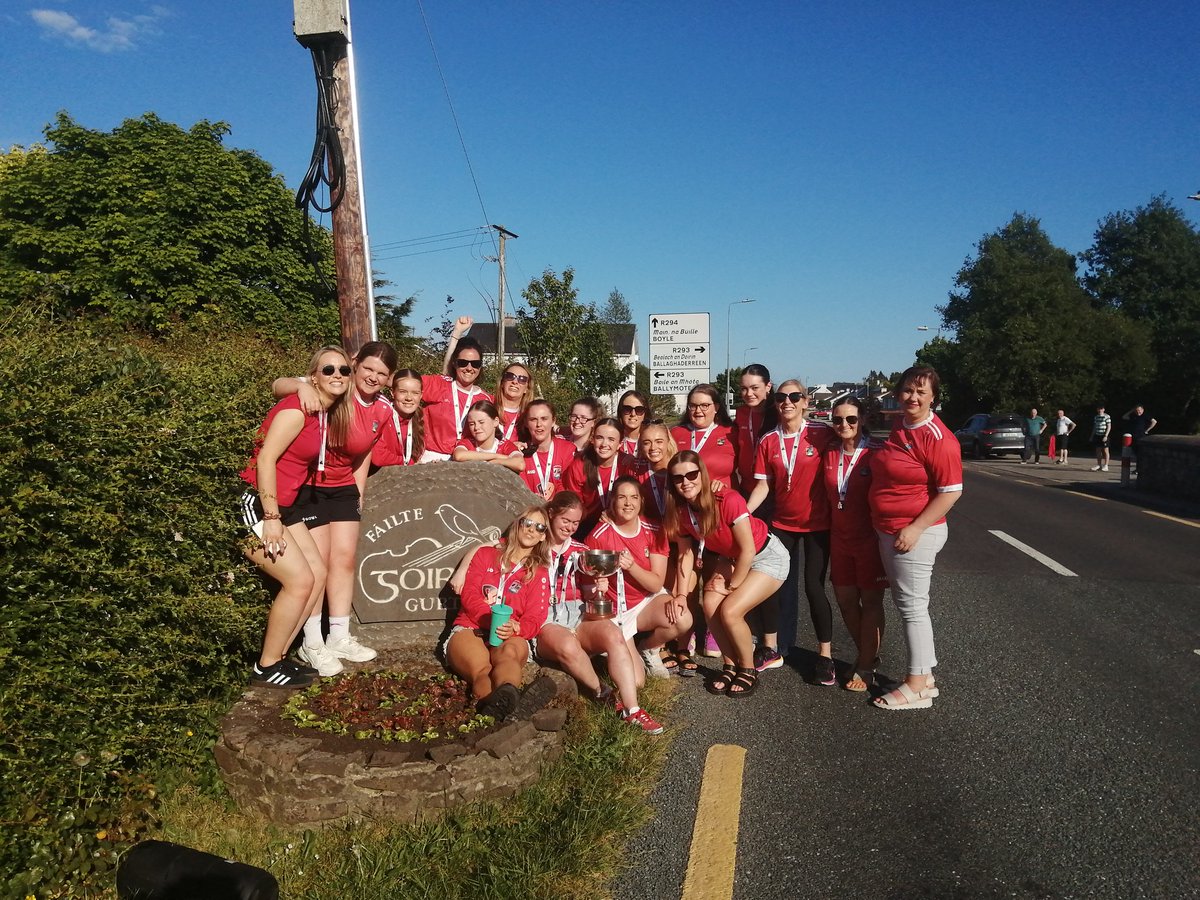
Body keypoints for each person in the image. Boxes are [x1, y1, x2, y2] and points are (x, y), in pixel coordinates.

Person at [272, 341, 397, 674]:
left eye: (381, 374)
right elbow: (278, 386)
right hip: (310, 486)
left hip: (342, 487)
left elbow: (364, 453)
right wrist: (300, 385)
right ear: (355, 364)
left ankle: (338, 636)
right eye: (368, 368)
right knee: (319, 564)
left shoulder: (384, 409)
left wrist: (359, 493)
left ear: (389, 379)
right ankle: (311, 643)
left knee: (343, 559)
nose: (373, 377)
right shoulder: (335, 387)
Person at [239, 346, 353, 688]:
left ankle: (281, 657)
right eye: (328, 369)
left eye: (344, 371)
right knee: (300, 581)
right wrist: (271, 516)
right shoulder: (299, 409)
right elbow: (265, 461)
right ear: (313, 376)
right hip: (259, 504)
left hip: (286, 506)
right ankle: (266, 665)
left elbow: (280, 382)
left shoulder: (321, 410)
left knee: (317, 574)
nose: (337, 375)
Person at [529, 492, 667, 733]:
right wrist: (464, 566)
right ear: (551, 514)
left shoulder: (581, 550)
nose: (570, 528)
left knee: (613, 633)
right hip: (545, 619)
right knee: (568, 645)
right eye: (565, 521)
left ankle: (633, 710)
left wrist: (596, 588)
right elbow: (496, 547)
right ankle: (602, 693)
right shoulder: (533, 544)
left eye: (575, 523)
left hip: (578, 615)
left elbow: (588, 592)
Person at [867, 365, 962, 710]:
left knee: (912, 608)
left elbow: (951, 492)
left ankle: (917, 685)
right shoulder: (901, 426)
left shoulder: (939, 438)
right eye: (908, 390)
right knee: (908, 604)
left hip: (913, 534)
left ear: (933, 397)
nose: (913, 397)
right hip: (889, 528)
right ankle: (925, 674)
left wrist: (916, 526)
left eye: (921, 392)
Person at [664, 451, 789, 698]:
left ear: (702, 474)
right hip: (731, 558)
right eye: (678, 478)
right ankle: (730, 664)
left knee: (730, 610)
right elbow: (685, 555)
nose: (686, 482)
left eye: (691, 474)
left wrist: (732, 587)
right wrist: (680, 594)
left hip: (766, 556)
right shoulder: (681, 510)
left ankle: (748, 667)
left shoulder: (727, 499)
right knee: (710, 604)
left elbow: (748, 549)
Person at [746, 380, 836, 679]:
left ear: (805, 401)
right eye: (782, 397)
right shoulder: (768, 440)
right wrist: (744, 514)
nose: (788, 402)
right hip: (783, 523)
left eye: (794, 396)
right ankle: (770, 647)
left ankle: (825, 656)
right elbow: (763, 485)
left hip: (817, 524)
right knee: (773, 583)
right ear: (776, 403)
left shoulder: (822, 433)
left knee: (814, 587)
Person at [445, 506, 552, 721]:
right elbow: (469, 595)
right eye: (527, 523)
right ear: (517, 525)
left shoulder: (538, 573)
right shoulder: (486, 555)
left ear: (542, 537)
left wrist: (517, 627)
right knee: (481, 669)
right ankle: (513, 709)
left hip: (510, 631)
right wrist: (490, 618)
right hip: (471, 626)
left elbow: (536, 616)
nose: (532, 530)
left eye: (539, 527)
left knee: (509, 657)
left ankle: (506, 698)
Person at [587, 476, 691, 682]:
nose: (628, 503)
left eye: (634, 497)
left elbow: (655, 583)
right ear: (612, 502)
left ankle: (648, 648)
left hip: (646, 602)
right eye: (622, 497)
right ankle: (616, 646)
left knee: (682, 618)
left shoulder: (654, 530)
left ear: (642, 501)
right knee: (636, 682)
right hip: (617, 612)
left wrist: (632, 566)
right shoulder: (597, 536)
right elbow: (590, 585)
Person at [823, 398, 887, 692]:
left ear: (862, 419)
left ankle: (865, 663)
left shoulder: (877, 452)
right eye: (838, 420)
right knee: (846, 602)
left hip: (869, 540)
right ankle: (867, 656)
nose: (844, 425)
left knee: (871, 602)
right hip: (839, 538)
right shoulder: (829, 453)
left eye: (851, 419)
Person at [421, 319, 493, 461]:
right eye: (463, 363)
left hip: (465, 461)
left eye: (475, 364)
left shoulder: (486, 399)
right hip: (430, 460)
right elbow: (402, 383)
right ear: (455, 364)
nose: (469, 368)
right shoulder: (439, 384)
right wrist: (456, 334)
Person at [561, 416, 641, 536]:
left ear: (620, 444)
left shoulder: (627, 464)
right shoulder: (579, 466)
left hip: (621, 519)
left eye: (611, 439)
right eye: (599, 438)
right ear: (592, 439)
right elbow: (575, 504)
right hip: (587, 524)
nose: (604, 444)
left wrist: (613, 513)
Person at [496, 399, 577, 500]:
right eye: (533, 419)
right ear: (526, 423)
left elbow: (570, 487)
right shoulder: (520, 454)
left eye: (544, 419)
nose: (539, 424)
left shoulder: (568, 449)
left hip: (560, 510)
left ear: (553, 421)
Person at [672, 384, 738, 491]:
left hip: (721, 500)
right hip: (686, 501)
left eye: (704, 405)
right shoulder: (676, 433)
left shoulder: (731, 432)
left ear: (716, 407)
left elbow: (747, 469)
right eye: (693, 406)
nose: (698, 410)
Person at [735, 364, 777, 499]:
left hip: (774, 492)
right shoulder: (741, 414)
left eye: (754, 388)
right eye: (744, 389)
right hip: (746, 489)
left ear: (768, 387)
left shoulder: (779, 415)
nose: (749, 394)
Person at [370, 368, 424, 469]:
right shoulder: (382, 415)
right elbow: (378, 457)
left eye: (415, 393)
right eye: (403, 392)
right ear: (392, 393)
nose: (409, 398)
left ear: (421, 395)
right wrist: (408, 462)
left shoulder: (421, 418)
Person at [451, 399, 522, 463]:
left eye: (481, 422)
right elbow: (459, 455)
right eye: (472, 424)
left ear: (495, 421)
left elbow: (520, 464)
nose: (476, 427)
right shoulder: (468, 443)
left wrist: (493, 462)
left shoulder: (504, 445)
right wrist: (498, 456)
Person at [496, 362, 535, 443]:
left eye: (522, 379)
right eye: (510, 376)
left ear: (526, 389)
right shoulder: (488, 409)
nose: (515, 381)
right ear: (502, 383)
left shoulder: (529, 417)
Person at [616, 390, 653, 456]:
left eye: (639, 410)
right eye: (627, 409)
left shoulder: (654, 442)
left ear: (645, 413)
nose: (633, 414)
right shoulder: (613, 440)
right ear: (620, 411)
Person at [1123, 404, 1157, 472]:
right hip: (1133, 437)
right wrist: (1132, 411)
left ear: (1142, 410)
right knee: (1136, 453)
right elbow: (1124, 417)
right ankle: (1138, 468)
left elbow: (1154, 421)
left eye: (1139, 410)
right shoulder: (1133, 416)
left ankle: (1140, 468)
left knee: (1141, 453)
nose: (1138, 412)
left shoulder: (1145, 415)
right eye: (1136, 410)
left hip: (1141, 437)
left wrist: (1147, 430)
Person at [1090, 405, 1112, 472]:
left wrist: (1106, 435)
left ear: (1103, 409)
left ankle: (1106, 465)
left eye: (1101, 409)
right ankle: (1099, 465)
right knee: (1098, 450)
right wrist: (1092, 436)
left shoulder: (1107, 417)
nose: (1100, 410)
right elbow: (1095, 427)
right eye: (1099, 409)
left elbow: (1109, 427)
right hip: (1097, 435)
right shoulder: (1096, 417)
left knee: (1105, 450)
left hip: (1104, 435)